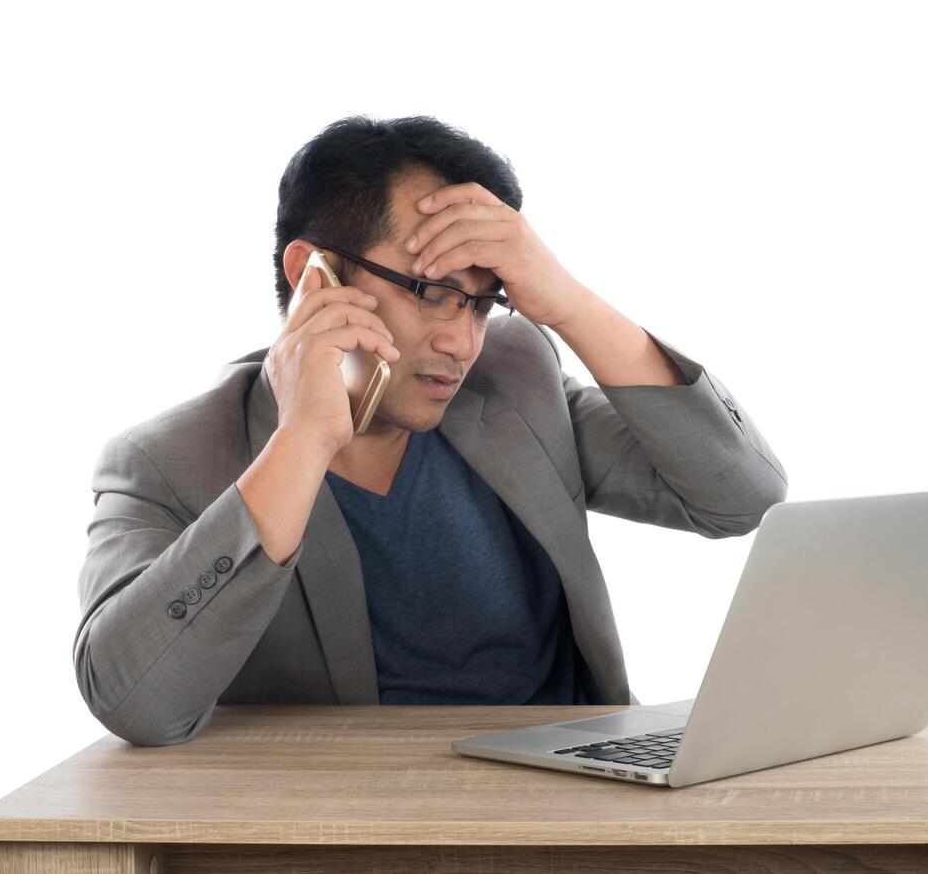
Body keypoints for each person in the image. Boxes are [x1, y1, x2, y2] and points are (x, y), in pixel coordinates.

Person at [74, 115, 787, 746]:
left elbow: (738, 498)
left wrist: (566, 303)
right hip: (364, 833)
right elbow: (137, 705)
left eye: (481, 304)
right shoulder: (166, 460)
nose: (460, 341)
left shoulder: (515, 376)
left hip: (580, 815)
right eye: (435, 294)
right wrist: (301, 445)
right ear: (311, 278)